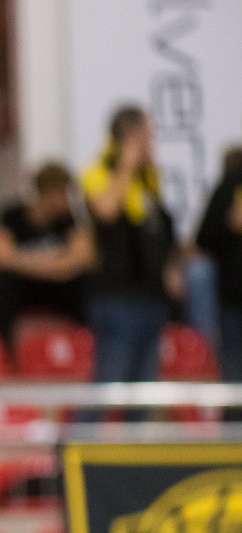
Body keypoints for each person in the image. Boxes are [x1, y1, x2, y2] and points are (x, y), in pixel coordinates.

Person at [80, 105, 178, 387]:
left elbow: (156, 228)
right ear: (131, 135)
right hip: (118, 297)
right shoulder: (99, 170)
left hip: (150, 295)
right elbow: (107, 211)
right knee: (110, 385)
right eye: (147, 134)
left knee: (144, 389)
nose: (151, 141)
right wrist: (126, 165)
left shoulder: (147, 177)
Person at [0, 161, 95, 360]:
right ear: (49, 193)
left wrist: (24, 260)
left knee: (87, 282)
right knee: (2, 281)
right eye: (65, 193)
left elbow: (81, 259)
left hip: (58, 288)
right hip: (26, 288)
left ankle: (89, 349)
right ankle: (4, 352)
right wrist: (56, 259)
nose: (69, 199)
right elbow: (1, 257)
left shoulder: (69, 220)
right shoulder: (12, 215)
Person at [196, 147, 242, 386]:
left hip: (230, 297)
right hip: (231, 297)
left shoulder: (224, 190)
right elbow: (204, 238)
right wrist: (228, 225)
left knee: (233, 368)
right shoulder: (226, 192)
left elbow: (203, 239)